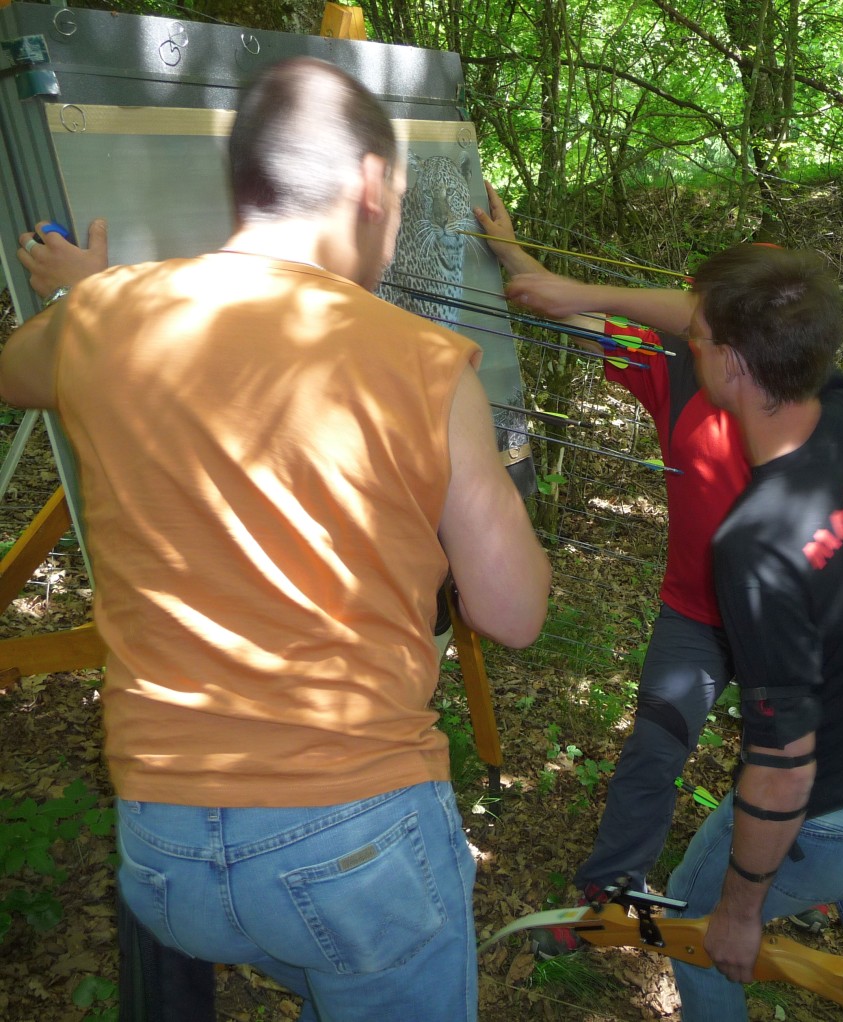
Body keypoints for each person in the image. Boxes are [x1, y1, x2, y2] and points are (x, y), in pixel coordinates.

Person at [0, 57, 550, 1022]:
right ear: (371, 184)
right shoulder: (423, 362)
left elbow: (17, 372)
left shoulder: (102, 319)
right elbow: (512, 612)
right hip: (352, 837)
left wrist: (89, 296)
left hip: (163, 849)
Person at [651, 244, 843, 1019]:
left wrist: (740, 911)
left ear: (732, 363)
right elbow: (764, 327)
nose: (688, 345)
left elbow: (784, 763)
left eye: (697, 337)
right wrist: (568, 292)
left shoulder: (756, 544)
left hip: (835, 819)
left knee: (694, 930)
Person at [473, 191, 770, 950]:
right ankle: (610, 897)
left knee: (782, 764)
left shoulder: (814, 401)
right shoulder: (679, 368)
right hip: (696, 615)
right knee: (653, 750)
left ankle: (790, 882)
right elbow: (574, 313)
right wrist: (510, 252)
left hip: (785, 622)